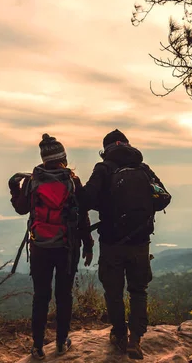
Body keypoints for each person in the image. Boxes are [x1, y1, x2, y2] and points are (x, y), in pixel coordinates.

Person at [80, 129, 170, 360]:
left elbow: (86, 199)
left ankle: (119, 333)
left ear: (105, 150)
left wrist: (105, 204)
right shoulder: (143, 169)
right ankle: (136, 340)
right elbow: (164, 197)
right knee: (138, 290)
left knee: (113, 292)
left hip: (111, 243)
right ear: (128, 145)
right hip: (140, 242)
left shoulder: (103, 169)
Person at [8, 133, 94, 360]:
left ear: (43, 158)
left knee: (41, 296)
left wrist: (15, 190)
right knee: (64, 295)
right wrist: (88, 244)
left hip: (39, 247)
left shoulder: (32, 180)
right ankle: (60, 343)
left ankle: (37, 347)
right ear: (63, 157)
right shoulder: (72, 181)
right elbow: (81, 215)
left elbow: (21, 209)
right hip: (67, 248)